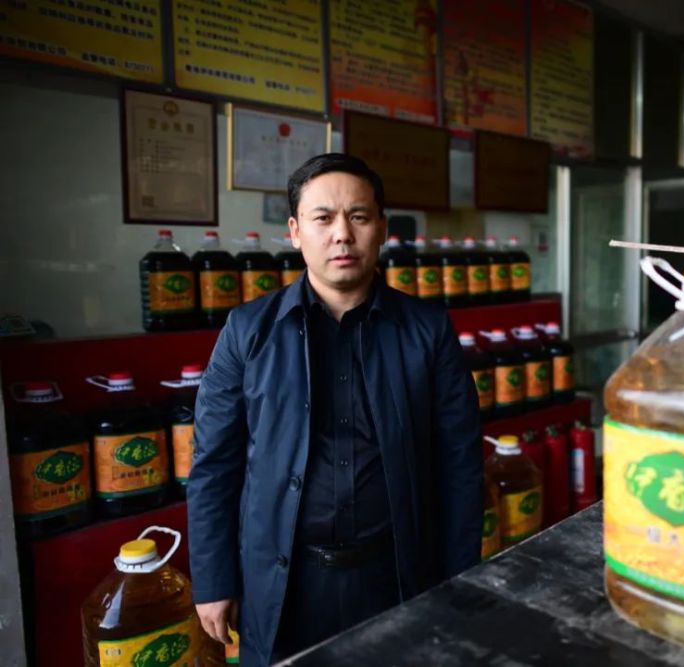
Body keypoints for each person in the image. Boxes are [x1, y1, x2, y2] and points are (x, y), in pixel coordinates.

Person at [186, 153, 483, 666]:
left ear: (382, 229)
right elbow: (214, 464)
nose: (342, 234)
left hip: (397, 573)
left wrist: (461, 578)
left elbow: (460, 464)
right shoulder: (247, 332)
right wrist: (213, 580)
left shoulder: (428, 330)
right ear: (296, 232)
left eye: (359, 217)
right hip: (284, 581)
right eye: (323, 218)